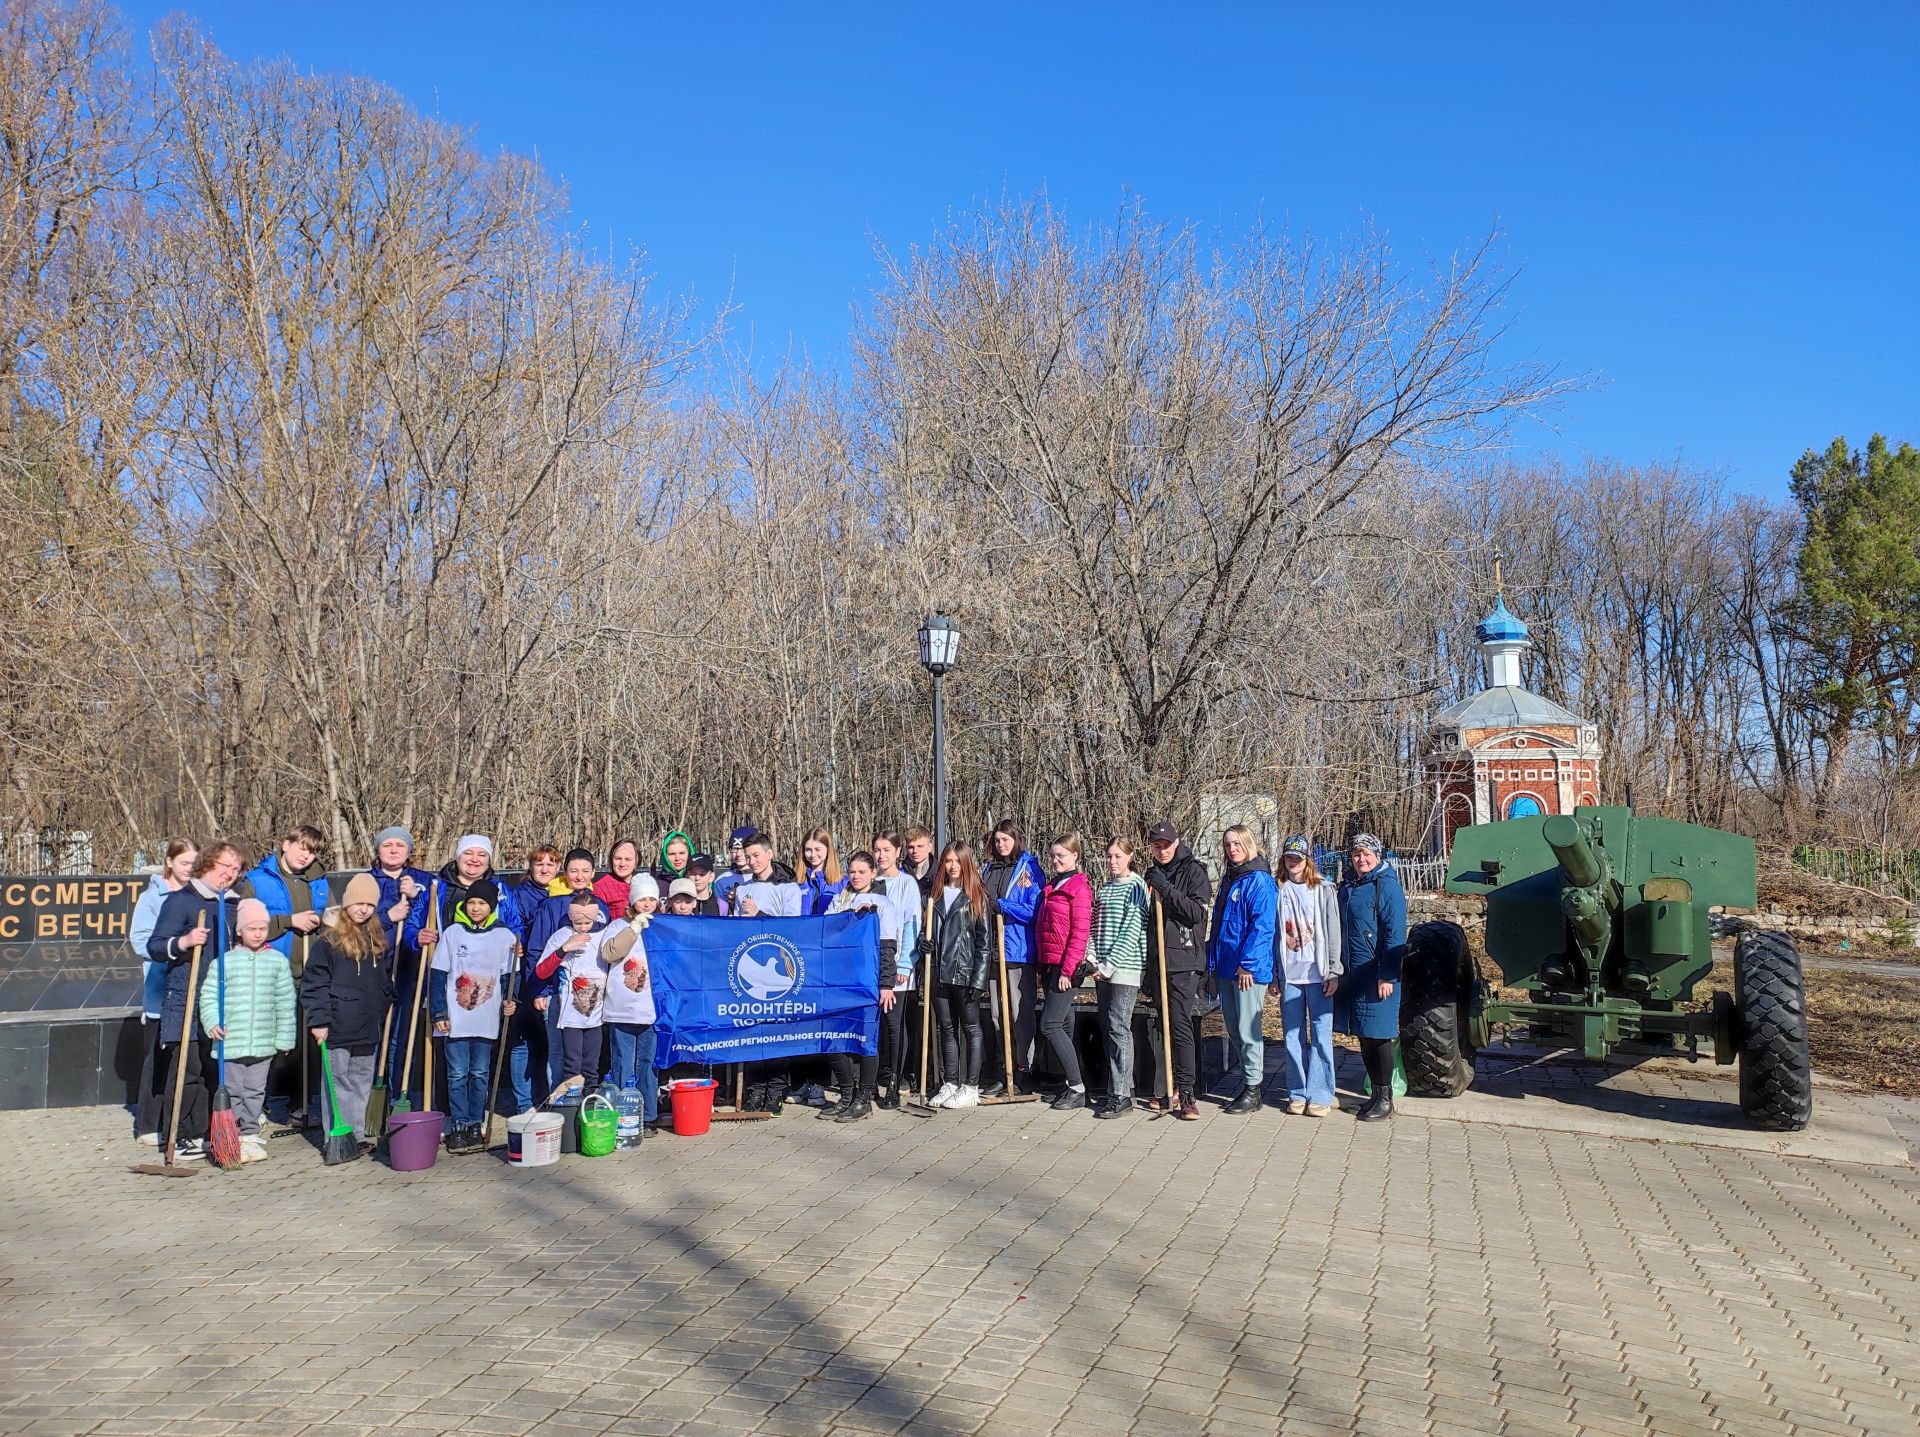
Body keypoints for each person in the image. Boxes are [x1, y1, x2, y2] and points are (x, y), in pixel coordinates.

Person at [146, 842, 246, 1159]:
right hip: (186, 996)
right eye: (224, 866)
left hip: (220, 999)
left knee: (211, 1067)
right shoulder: (182, 900)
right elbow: (155, 946)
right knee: (187, 1069)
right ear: (207, 864)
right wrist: (185, 941)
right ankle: (180, 1135)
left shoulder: (233, 904)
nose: (229, 873)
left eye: (235, 869)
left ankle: (205, 1131)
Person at [300, 872, 393, 1151]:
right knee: (337, 1083)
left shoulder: (376, 940)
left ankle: (358, 1135)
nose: (363, 909)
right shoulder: (328, 942)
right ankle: (337, 1138)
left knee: (361, 1081)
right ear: (347, 903)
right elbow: (314, 984)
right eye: (358, 903)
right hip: (338, 1025)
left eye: (369, 904)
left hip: (368, 1025)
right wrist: (319, 1021)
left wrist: (387, 999)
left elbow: (382, 980)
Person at [200, 897, 296, 1162]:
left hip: (263, 1042)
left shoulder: (277, 961)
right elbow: (209, 996)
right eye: (252, 928)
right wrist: (212, 1022)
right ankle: (231, 1134)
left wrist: (285, 1038)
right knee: (232, 1090)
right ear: (240, 930)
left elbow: (285, 1001)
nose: (257, 933)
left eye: (262, 928)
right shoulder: (224, 962)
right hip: (231, 1041)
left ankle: (250, 1133)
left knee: (255, 1091)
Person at [430, 877, 520, 1154]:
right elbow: (438, 974)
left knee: (479, 1073)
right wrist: (438, 1011)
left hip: (486, 1019)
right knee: (457, 1074)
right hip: (456, 1019)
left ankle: (474, 1122)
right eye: (472, 902)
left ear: (492, 906)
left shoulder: (504, 936)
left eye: (482, 903)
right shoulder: (453, 933)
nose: (476, 908)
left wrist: (511, 1000)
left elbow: (510, 976)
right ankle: (458, 1124)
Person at [525, 850, 612, 1100]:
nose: (579, 876)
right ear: (565, 872)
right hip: (558, 994)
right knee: (561, 1055)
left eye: (585, 871)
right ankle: (561, 1104)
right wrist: (539, 990)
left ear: (593, 873)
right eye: (574, 871)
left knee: (591, 1060)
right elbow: (537, 950)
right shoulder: (552, 905)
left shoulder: (600, 905)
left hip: (594, 1003)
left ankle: (589, 1105)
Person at [822, 851, 900, 1122]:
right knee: (834, 1038)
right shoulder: (838, 900)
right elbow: (826, 933)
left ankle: (864, 1098)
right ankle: (847, 1094)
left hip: (867, 980)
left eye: (862, 872)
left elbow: (888, 946)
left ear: (873, 874)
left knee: (865, 1040)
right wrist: (850, 916)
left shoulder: (883, 904)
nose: (856, 877)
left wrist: (886, 984)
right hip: (839, 980)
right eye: (852, 872)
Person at [1334, 834, 1407, 1122]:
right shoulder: (1348, 886)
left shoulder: (1386, 886)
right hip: (1354, 974)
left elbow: (1395, 935)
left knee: (1379, 1036)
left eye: (1366, 854)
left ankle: (1385, 1098)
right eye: (1356, 854)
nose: (1361, 859)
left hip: (1377, 975)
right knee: (1365, 1036)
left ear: (1377, 855)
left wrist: (1387, 974)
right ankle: (1374, 1096)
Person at [1143, 820, 1213, 1120]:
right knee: (1163, 1026)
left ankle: (1187, 1094)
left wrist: (1164, 887)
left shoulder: (1193, 871)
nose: (1162, 851)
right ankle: (1167, 1088)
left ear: (1177, 843)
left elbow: (1195, 913)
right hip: (1159, 960)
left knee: (1181, 1025)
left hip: (1184, 961)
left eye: (1166, 845)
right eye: (1156, 846)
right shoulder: (1153, 873)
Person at [1207, 824, 1278, 1115]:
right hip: (1226, 966)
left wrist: (1247, 964)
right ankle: (1247, 1081)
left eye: (1237, 843)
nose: (1232, 849)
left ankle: (1253, 1089)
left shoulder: (1259, 880)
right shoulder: (1231, 879)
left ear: (1249, 844)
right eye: (1227, 845)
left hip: (1247, 969)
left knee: (1248, 1030)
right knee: (1234, 1028)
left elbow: (1263, 926)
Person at [130, 837, 197, 1144]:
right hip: (160, 989)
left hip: (191, 987)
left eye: (194, 863)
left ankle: (179, 1121)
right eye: (184, 863)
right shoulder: (151, 898)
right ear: (169, 862)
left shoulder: (197, 895)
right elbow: (140, 941)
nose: (189, 869)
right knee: (157, 1058)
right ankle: (147, 1124)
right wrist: (174, 946)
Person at [1272, 836, 1344, 1118]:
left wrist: (1334, 971)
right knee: (1292, 1037)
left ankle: (1321, 1093)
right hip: (1290, 976)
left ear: (1307, 860)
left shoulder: (1323, 889)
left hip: (1319, 975)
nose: (1293, 862)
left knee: (1321, 1036)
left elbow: (1333, 932)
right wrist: (1275, 975)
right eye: (1289, 857)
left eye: (1298, 858)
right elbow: (1274, 936)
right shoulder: (1279, 889)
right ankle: (1297, 1092)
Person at [533, 893, 625, 1092]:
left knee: (591, 1066)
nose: (583, 927)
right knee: (572, 1066)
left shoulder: (604, 934)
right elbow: (541, 971)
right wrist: (563, 949)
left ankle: (590, 1102)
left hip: (596, 1015)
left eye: (587, 922)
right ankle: (571, 1103)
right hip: (570, 1016)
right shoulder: (562, 935)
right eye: (578, 923)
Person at [925, 842, 993, 1110]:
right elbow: (926, 930)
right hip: (939, 972)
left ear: (966, 863)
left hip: (964, 972)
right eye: (948, 861)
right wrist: (923, 943)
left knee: (971, 1028)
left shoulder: (976, 897)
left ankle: (971, 1086)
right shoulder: (935, 895)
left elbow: (984, 944)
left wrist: (979, 979)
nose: (952, 866)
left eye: (957, 861)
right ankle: (951, 1082)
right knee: (946, 1028)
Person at [981, 820, 1044, 1096]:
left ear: (1016, 839)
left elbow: (1033, 910)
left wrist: (1002, 906)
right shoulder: (989, 869)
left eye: (1005, 839)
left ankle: (1023, 1069)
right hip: (993, 952)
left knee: (1020, 1014)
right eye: (997, 840)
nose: (1001, 844)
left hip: (1018, 951)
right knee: (997, 1015)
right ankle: (1003, 1068)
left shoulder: (1029, 869)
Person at [1088, 838, 1150, 1119]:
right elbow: (1095, 925)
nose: (1113, 862)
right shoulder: (1105, 888)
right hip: (1101, 968)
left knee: (1118, 1027)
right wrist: (1092, 958)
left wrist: (1110, 965)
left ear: (1130, 856)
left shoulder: (1136, 887)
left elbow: (1131, 930)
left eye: (1118, 856)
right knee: (1108, 1028)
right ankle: (1118, 1086)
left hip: (1125, 968)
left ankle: (1122, 1094)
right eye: (1109, 856)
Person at [1034, 834, 1094, 1111]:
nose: (1056, 860)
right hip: (1049, 963)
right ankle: (1070, 1083)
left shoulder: (1079, 889)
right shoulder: (1051, 886)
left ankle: (1078, 1088)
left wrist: (1067, 971)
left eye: (1061, 855)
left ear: (1075, 856)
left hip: (1065, 967)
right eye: (1053, 855)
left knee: (1050, 1025)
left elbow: (1080, 933)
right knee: (1065, 1024)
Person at [869, 832, 921, 1106]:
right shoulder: (869, 881)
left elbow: (912, 923)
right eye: (877, 850)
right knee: (874, 1025)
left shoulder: (906, 883)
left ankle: (894, 1082)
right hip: (871, 965)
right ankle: (871, 1081)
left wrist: (905, 963)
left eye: (887, 850)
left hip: (898, 964)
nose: (881, 855)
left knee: (894, 1025)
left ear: (898, 852)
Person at [236, 823, 330, 975]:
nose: (306, 856)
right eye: (302, 848)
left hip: (312, 974)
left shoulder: (319, 882)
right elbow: (243, 927)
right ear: (286, 845)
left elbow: (335, 920)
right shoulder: (256, 881)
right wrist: (290, 921)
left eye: (312, 852)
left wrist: (318, 920)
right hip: (269, 972)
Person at [602, 902, 658, 1134]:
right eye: (642, 898)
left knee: (648, 1064)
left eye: (652, 898)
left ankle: (649, 1117)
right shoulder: (617, 926)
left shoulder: (662, 926)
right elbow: (609, 953)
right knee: (622, 1063)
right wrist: (633, 928)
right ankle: (622, 1116)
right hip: (622, 1009)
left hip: (652, 1010)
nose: (647, 903)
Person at [731, 833, 804, 918]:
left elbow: (790, 924)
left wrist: (758, 914)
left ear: (769, 854)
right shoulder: (741, 889)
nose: (751, 862)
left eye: (756, 855)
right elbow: (738, 924)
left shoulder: (789, 889)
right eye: (748, 857)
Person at [795, 826, 846, 915]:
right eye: (808, 850)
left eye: (817, 849)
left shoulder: (843, 883)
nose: (813, 854)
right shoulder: (795, 883)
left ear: (828, 849)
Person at [593, 838, 643, 921]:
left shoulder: (644, 884)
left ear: (636, 862)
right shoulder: (600, 888)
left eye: (628, 859)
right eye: (618, 858)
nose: (622, 864)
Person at [713, 826, 757, 909]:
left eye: (743, 849)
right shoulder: (722, 880)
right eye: (735, 849)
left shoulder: (765, 878)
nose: (738, 854)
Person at [902, 827, 936, 903]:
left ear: (929, 847)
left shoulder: (940, 875)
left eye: (920, 846)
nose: (915, 851)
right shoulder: (900, 875)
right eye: (911, 847)